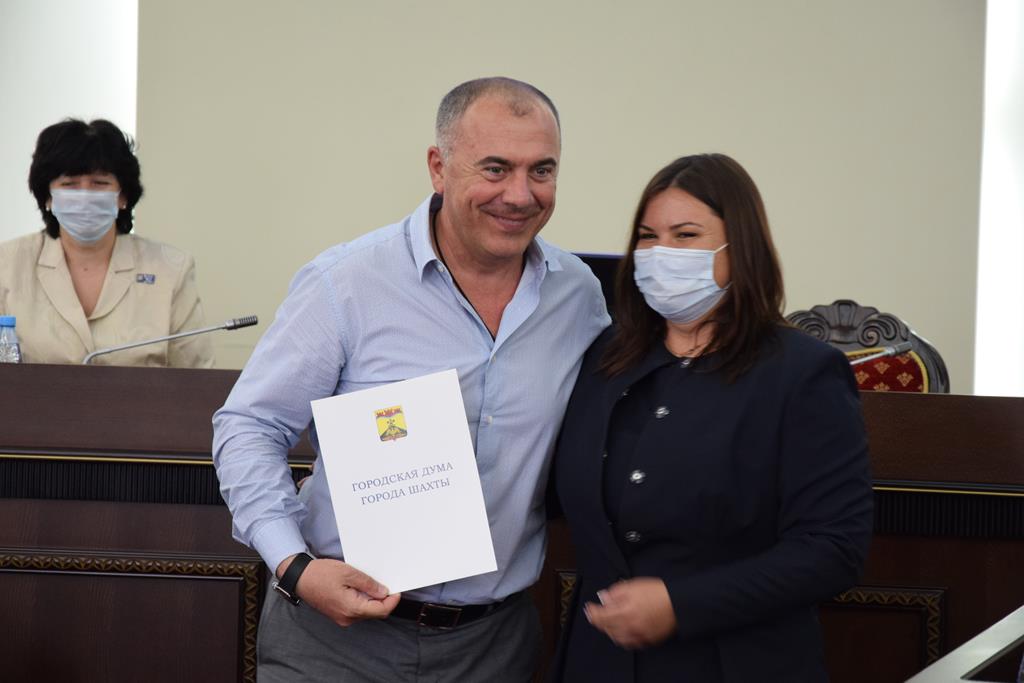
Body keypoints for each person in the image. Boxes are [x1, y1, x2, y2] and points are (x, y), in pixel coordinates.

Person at [212, 77, 609, 681]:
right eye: (495, 168)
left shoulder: (577, 296)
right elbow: (249, 426)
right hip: (333, 644)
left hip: (494, 647)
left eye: (542, 170)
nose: (520, 194)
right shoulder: (346, 283)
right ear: (438, 167)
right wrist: (293, 565)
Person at [551, 153, 873, 682]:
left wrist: (681, 603)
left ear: (739, 248)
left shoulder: (802, 373)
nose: (661, 253)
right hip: (601, 661)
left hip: (734, 662)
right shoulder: (605, 358)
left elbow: (833, 549)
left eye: (685, 235)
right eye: (648, 237)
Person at [0, 118, 214, 367]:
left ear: (123, 196)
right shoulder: (7, 264)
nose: (85, 195)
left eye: (100, 183)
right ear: (48, 197)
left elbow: (198, 374)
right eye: (69, 184)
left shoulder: (171, 268)